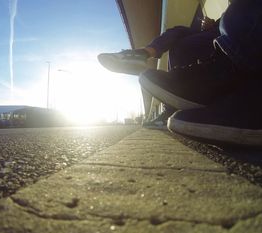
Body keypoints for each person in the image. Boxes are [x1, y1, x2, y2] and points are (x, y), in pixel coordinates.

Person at [139, 0, 262, 146]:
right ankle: (144, 53)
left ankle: (243, 85)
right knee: (181, 41)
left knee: (240, 12)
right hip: (219, 33)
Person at [98, 15, 220, 126]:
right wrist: (211, 25)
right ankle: (143, 54)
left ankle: (171, 109)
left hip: (225, 35)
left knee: (182, 45)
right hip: (213, 30)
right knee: (177, 31)